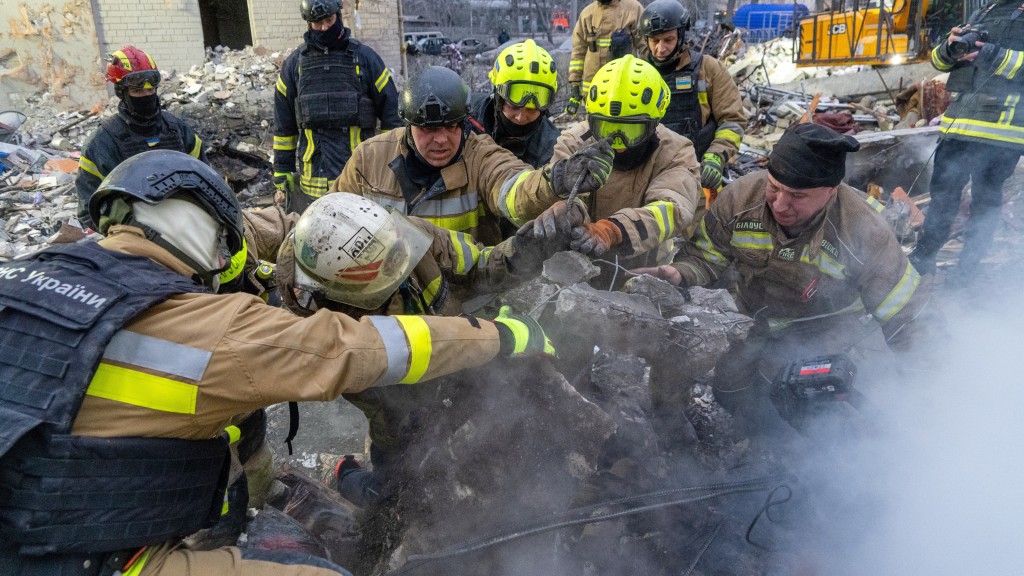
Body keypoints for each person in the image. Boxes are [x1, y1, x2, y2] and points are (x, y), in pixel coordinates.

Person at [0, 150, 553, 576]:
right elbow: (350, 350)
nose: (222, 260)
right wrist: (503, 336)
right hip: (80, 556)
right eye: (220, 243)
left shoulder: (29, 278)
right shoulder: (217, 325)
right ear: (197, 229)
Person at [272, 193, 576, 506]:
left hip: (460, 352)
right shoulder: (327, 320)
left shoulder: (406, 234)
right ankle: (350, 478)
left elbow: (480, 266)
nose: (399, 275)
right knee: (396, 486)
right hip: (399, 405)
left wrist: (528, 250)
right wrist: (497, 338)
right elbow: (406, 356)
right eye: (381, 278)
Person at [634, 123, 942, 432]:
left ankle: (798, 443)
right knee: (729, 389)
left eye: (797, 196)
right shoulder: (740, 200)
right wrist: (680, 273)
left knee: (787, 383)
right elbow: (705, 259)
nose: (780, 205)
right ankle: (747, 433)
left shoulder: (864, 231)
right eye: (774, 187)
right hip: (756, 317)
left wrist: (924, 394)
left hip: (825, 328)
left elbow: (909, 317)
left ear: (831, 192)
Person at [330, 65, 614, 246]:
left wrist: (555, 180)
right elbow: (330, 219)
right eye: (428, 129)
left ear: (465, 121)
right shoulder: (369, 158)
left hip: (464, 295)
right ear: (408, 124)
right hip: (385, 291)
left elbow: (515, 190)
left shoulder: (482, 155)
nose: (441, 139)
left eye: (452, 126)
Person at [532, 55, 702, 266]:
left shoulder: (676, 150)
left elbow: (672, 209)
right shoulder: (574, 141)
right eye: (608, 129)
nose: (618, 144)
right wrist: (568, 209)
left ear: (655, 121)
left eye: (631, 130)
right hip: (580, 259)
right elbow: (566, 194)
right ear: (592, 120)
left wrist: (612, 230)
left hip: (647, 265)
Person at [907, 3, 1024, 281]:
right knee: (942, 199)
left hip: (1000, 131)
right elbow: (938, 62)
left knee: (985, 203)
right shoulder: (984, 10)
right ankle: (923, 260)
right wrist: (950, 47)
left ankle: (967, 272)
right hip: (958, 126)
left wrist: (992, 54)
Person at [273, 0, 402, 213]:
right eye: (317, 23)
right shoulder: (294, 65)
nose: (324, 28)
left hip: (361, 176)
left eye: (329, 20)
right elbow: (284, 124)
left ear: (338, 16)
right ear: (308, 23)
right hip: (314, 181)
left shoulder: (365, 59)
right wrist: (282, 168)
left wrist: (391, 162)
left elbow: (392, 115)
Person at [76, 45, 206, 230]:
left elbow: (206, 180)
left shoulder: (178, 131)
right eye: (137, 92)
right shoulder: (102, 143)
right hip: (133, 233)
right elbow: (89, 211)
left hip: (186, 226)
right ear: (122, 92)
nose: (145, 97)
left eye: (150, 91)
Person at [638, 0, 747, 211]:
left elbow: (733, 120)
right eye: (655, 40)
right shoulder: (638, 74)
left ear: (681, 35)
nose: (661, 48)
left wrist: (717, 156)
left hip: (698, 177)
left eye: (668, 39)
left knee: (700, 237)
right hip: (650, 178)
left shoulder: (708, 68)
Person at [469, 39, 561, 169]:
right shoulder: (468, 118)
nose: (520, 117)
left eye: (531, 110)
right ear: (498, 98)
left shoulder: (552, 149)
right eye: (513, 107)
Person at [565, 0, 645, 116]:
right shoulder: (587, 14)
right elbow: (578, 53)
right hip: (593, 91)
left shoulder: (633, 10)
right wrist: (575, 85)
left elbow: (645, 48)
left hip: (623, 87)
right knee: (594, 128)